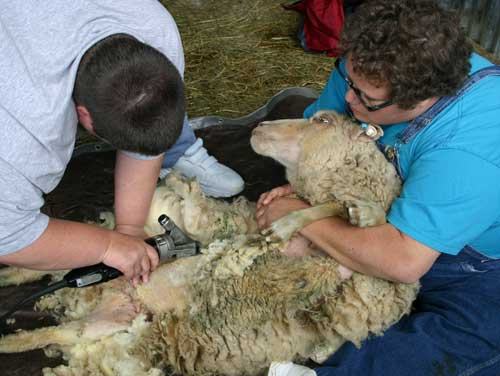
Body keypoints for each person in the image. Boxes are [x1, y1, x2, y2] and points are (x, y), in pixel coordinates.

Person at [257, 1, 500, 375]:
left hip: (469, 259)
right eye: (348, 79)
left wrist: (295, 216)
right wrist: (304, 188)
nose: (349, 98)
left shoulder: (468, 147)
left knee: (457, 345)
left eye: (366, 100)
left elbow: (403, 261)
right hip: (376, 208)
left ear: (420, 98)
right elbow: (322, 137)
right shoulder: (370, 68)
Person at [0, 0, 244, 286]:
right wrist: (107, 247)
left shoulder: (154, 28)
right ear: (83, 116)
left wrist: (130, 229)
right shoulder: (23, 133)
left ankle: (179, 149)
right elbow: (8, 234)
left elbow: (143, 126)